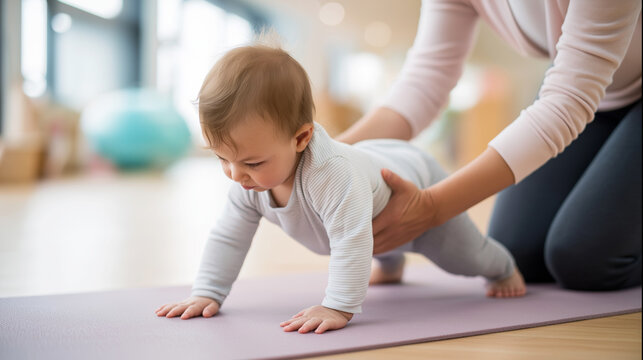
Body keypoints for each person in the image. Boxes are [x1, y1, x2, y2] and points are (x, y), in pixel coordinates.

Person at [155, 42, 526, 334]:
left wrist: (338, 305)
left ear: (301, 138)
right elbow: (228, 237)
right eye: (222, 159)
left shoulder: (331, 176)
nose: (235, 175)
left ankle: (502, 266)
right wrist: (207, 291)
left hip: (415, 181)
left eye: (251, 163)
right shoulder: (247, 180)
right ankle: (392, 263)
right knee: (370, 227)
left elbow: (351, 239)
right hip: (373, 191)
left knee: (464, 256)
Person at [338, 0, 642, 291]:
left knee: (586, 261)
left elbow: (568, 102)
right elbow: (424, 81)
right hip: (596, 92)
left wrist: (431, 208)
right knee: (517, 254)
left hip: (580, 93)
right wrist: (321, 155)